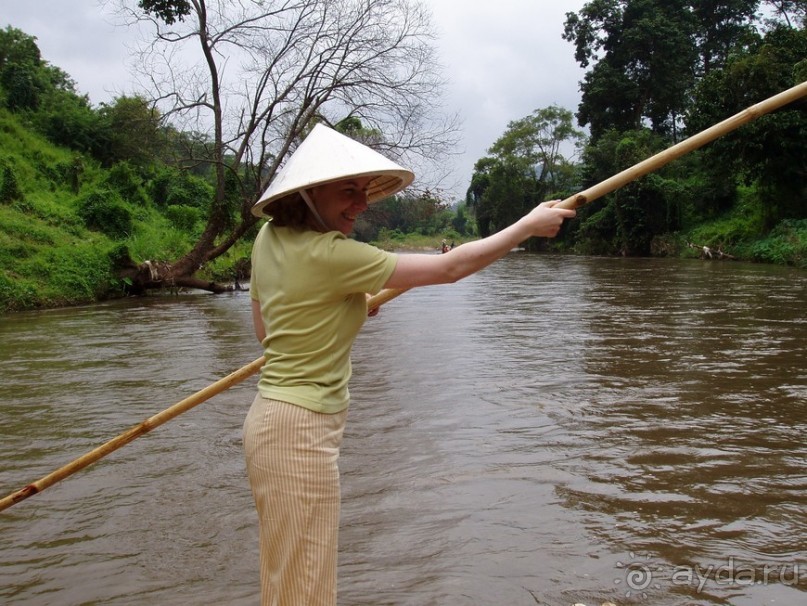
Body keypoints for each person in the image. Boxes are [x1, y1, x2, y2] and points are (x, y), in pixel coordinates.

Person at [243, 123, 575, 605]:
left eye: (364, 191)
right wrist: (525, 227)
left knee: (286, 576)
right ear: (310, 192)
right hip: (300, 432)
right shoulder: (330, 253)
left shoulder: (268, 239)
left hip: (269, 421)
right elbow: (450, 268)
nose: (361, 202)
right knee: (307, 584)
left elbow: (267, 333)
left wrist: (345, 304)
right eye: (347, 190)